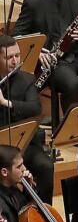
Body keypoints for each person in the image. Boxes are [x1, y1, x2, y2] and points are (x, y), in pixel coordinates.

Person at [0, 34, 54, 200]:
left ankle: (44, 213)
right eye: (9, 57)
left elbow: (35, 108)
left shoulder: (26, 79)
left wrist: (6, 102)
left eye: (17, 55)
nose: (15, 61)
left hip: (23, 146)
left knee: (46, 166)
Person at [0, 145, 69, 222]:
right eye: (19, 166)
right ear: (4, 172)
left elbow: (29, 211)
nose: (24, 169)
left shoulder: (13, 186)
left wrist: (29, 187)